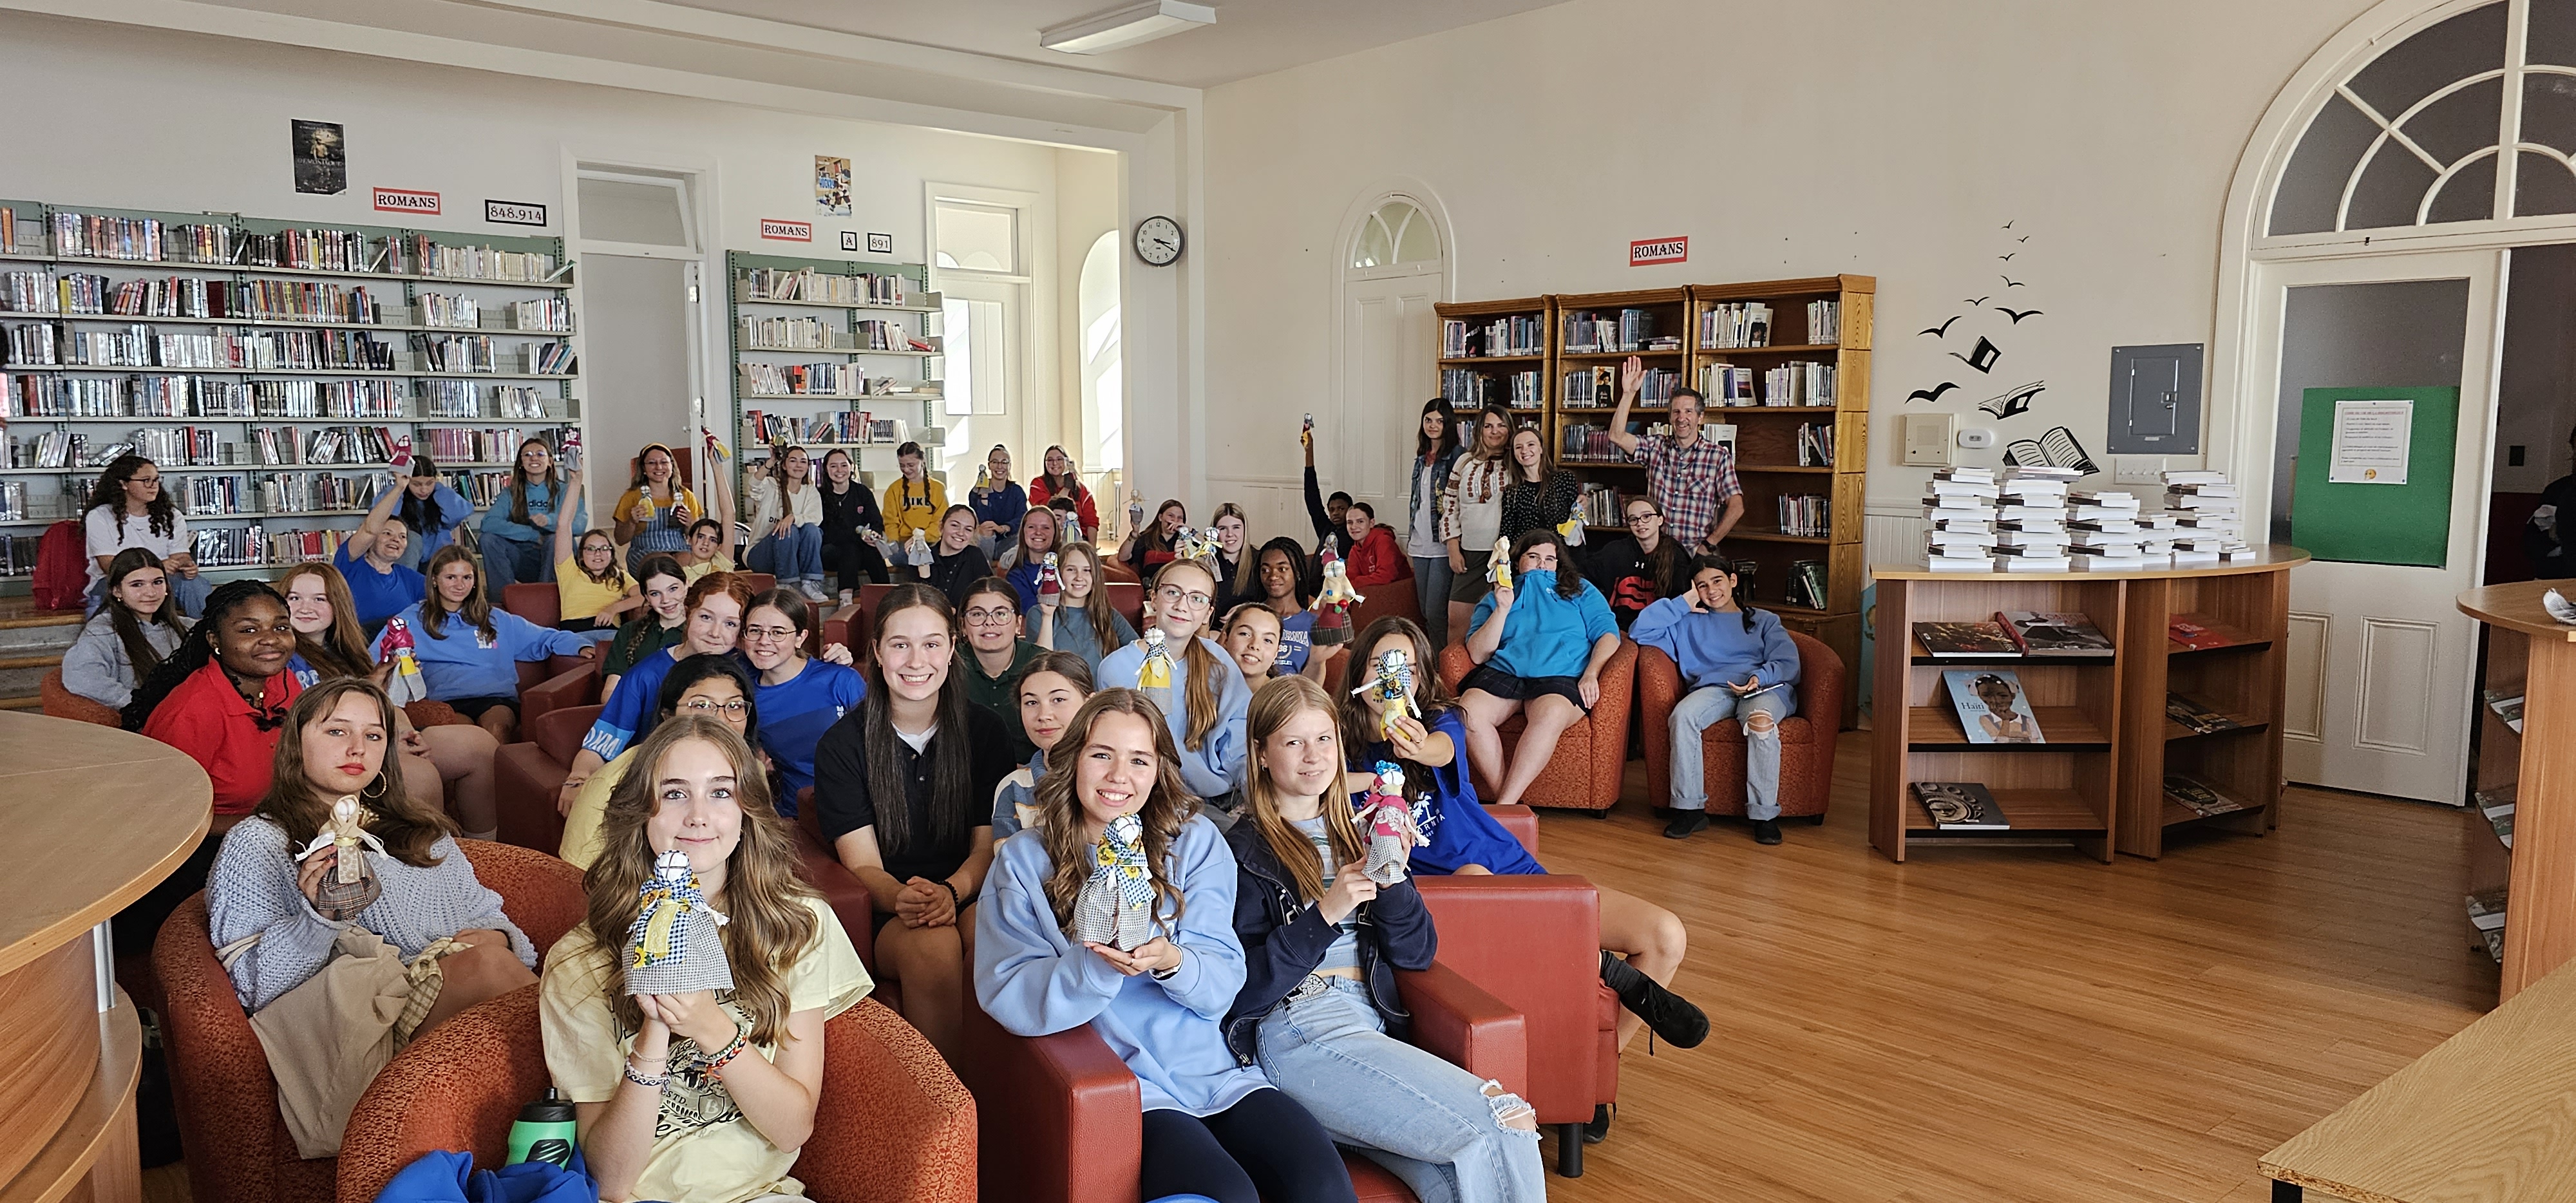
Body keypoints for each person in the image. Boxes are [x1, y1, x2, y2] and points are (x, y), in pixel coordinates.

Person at [976, 690, 1356, 1203]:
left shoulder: (1195, 843)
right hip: (1123, 1080)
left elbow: (1223, 981)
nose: (1119, 776)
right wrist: (1095, 965)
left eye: (1139, 760)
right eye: (1102, 754)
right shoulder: (1023, 860)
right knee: (1226, 1192)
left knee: (1322, 1184)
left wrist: (1171, 959)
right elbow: (1007, 992)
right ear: (1073, 760)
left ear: (1158, 771)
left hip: (1216, 1071)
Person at [1339, 614, 1707, 1112]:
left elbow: (1439, 751)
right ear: (1360, 674)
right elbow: (1314, 785)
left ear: (1421, 679)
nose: (1392, 679)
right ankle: (1597, 964)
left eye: (1404, 668)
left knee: (1665, 935)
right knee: (1474, 880)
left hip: (1510, 871)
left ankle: (1597, 1071)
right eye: (1381, 665)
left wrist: (1415, 743)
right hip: (1440, 901)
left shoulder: (1441, 721)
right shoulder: (1339, 748)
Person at [1227, 674, 1545, 1203]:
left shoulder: (1364, 830)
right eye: (1293, 742)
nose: (1313, 756)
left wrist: (1393, 880)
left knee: (1453, 1181)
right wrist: (1325, 914)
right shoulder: (1242, 852)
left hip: (1371, 1024)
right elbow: (1241, 989)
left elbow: (1417, 954)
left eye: (1323, 738)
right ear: (1262, 754)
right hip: (1300, 1028)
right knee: (1504, 1119)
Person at [540, 716, 869, 1203]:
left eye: (720, 792)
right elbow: (610, 1180)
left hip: (758, 1195)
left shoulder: (798, 925)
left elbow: (792, 1129)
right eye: (674, 794)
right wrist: (656, 1028)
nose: (698, 816)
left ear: (747, 812)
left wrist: (709, 1026)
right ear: (641, 812)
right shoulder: (577, 961)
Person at [204, 679, 537, 1154]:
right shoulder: (259, 842)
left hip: (467, 1002)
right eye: (337, 731)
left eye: (374, 735)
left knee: (508, 968)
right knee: (498, 977)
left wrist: (499, 938)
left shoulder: (420, 829)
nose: (358, 748)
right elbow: (251, 988)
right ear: (296, 742)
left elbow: (489, 912)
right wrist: (318, 920)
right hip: (363, 1031)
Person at [813, 585, 1007, 1059]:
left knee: (996, 935)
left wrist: (952, 893)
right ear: (877, 651)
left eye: (931, 644)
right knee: (934, 945)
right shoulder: (842, 745)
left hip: (971, 891)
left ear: (952, 648)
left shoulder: (985, 731)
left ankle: (1009, 1088)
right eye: (900, 644)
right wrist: (907, 898)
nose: (916, 661)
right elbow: (863, 866)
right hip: (889, 907)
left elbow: (987, 846)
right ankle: (945, 1097)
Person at [120, 580, 303, 954]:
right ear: (215, 641)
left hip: (277, 828)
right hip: (199, 852)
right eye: (249, 630)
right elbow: (166, 818)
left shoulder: (283, 682)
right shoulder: (193, 710)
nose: (270, 639)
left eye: (280, 626)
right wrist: (265, 826)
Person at [278, 561, 504, 840]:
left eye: (319, 599)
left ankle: (481, 850)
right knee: (420, 776)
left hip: (377, 738)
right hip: (334, 752)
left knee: (480, 745)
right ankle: (430, 859)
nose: (305, 607)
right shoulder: (279, 654)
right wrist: (386, 745)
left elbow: (383, 706)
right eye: (294, 598)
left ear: (338, 604)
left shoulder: (348, 651)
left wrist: (405, 732)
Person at [1634, 556, 1803, 844]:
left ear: (1733, 580)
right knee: (1682, 716)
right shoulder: (1687, 622)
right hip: (1714, 689)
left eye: (1717, 581)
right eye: (1702, 586)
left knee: (1760, 723)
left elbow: (1789, 663)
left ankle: (1764, 816)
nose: (1711, 591)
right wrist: (1683, 603)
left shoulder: (1764, 620)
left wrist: (1758, 678)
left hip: (1762, 688)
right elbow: (1641, 631)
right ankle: (1689, 810)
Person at [1457, 531, 1620, 809]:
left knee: (1551, 714)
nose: (1542, 564)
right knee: (1468, 712)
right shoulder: (1497, 595)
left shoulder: (1580, 589)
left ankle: (1503, 808)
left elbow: (1608, 634)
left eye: (1550, 559)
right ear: (1517, 562)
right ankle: (1511, 806)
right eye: (1533, 557)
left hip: (1562, 674)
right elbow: (1478, 653)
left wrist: (1591, 673)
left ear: (1559, 564)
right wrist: (1502, 609)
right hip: (1507, 672)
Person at [564, 572, 754, 809]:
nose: (715, 633)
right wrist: (578, 780)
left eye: (730, 624)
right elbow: (599, 747)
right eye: (706, 617)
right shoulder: (645, 676)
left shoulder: (748, 670)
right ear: (687, 612)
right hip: (661, 787)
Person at [558, 653, 764, 870]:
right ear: (668, 715)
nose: (721, 720)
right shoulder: (611, 785)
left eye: (734, 706)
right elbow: (578, 877)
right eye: (702, 705)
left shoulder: (753, 769)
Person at [373, 546, 597, 743]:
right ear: (434, 580)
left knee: (497, 728)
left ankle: (500, 778)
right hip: (446, 701)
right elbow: (374, 657)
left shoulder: (497, 619)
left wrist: (580, 645)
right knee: (468, 737)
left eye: (467, 577)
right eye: (451, 577)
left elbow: (546, 638)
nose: (460, 585)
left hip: (496, 699)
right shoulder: (412, 619)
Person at [1097, 558, 1253, 809]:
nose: (1182, 605)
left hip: (1222, 796)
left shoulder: (1218, 660)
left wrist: (1253, 795)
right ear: (1154, 599)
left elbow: (1239, 736)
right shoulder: (1116, 668)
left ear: (1208, 614)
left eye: (1197, 599)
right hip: (1151, 798)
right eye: (1172, 593)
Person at [1599, 358, 1743, 555]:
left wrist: (1710, 544)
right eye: (1676, 412)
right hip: (1656, 554)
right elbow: (1616, 436)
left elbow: (1736, 507)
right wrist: (1628, 393)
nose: (1681, 418)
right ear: (1670, 417)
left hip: (1695, 556)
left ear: (1700, 417)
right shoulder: (1656, 447)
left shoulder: (1717, 456)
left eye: (1688, 412)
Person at [739, 587, 867, 806]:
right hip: (795, 810)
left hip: (856, 803)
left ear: (800, 637)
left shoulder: (840, 679)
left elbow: (879, 744)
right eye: (755, 630)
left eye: (778, 632)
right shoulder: (744, 695)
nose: (764, 641)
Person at [64, 547, 189, 710]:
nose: (151, 593)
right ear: (117, 591)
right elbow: (83, 678)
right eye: (137, 585)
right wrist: (141, 704)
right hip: (145, 719)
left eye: (158, 582)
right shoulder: (102, 630)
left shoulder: (186, 627)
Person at [84, 454, 207, 618]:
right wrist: (156, 568)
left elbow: (180, 555)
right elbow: (109, 566)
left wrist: (187, 565)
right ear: (124, 484)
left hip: (162, 580)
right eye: (146, 480)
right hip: (116, 581)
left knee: (194, 583)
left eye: (156, 480)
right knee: (119, 590)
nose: (153, 486)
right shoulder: (100, 516)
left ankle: (206, 631)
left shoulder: (172, 515)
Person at [990, 650, 1092, 840]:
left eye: (1058, 700)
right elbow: (1008, 858)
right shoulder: (1015, 788)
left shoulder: (1114, 778)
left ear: (1090, 703)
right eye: (1031, 702)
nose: (1044, 715)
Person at [1441, 405, 1515, 644]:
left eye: (1501, 426)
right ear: (1479, 430)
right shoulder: (1464, 462)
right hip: (1469, 553)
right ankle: (1454, 665)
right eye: (1489, 426)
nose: (1495, 431)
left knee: (1500, 620)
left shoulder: (1516, 461)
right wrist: (1453, 546)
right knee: (1457, 620)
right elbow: (1449, 505)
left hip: (1505, 554)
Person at [477, 437, 582, 600]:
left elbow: (579, 525)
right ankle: (502, 601)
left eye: (540, 454)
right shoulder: (510, 493)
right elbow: (488, 524)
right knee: (488, 539)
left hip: (558, 559)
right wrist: (533, 535)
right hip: (525, 559)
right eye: (528, 455)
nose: (534, 458)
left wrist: (549, 521)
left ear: (550, 462)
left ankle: (546, 599)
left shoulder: (565, 490)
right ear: (521, 463)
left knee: (554, 540)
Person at [957, 576, 1044, 762]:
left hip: (1031, 772)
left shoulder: (1043, 666)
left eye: (1001, 614)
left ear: (1018, 624)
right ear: (963, 625)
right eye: (977, 614)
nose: (989, 622)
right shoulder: (946, 665)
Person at [551, 472, 643, 640]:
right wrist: (576, 481)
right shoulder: (569, 571)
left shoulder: (620, 575)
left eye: (604, 548)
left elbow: (645, 596)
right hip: (573, 635)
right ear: (582, 554)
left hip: (609, 634)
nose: (598, 554)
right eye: (591, 549)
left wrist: (614, 609)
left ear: (611, 553)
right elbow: (563, 525)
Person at [1028, 540, 1137, 676]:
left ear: (1095, 576)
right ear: (1058, 573)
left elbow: (1139, 652)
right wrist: (1048, 616)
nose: (1079, 577)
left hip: (1100, 689)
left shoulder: (1109, 615)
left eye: (1087, 570)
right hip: (1057, 687)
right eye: (1071, 570)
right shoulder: (1038, 614)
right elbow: (1040, 668)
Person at [1404, 399, 1463, 646]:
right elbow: (1418, 502)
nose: (1433, 425)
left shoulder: (1457, 456)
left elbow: (1457, 503)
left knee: (1436, 613)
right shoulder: (1421, 458)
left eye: (1439, 421)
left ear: (1448, 424)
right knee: (1425, 613)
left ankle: (1441, 664)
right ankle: (1431, 660)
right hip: (1420, 543)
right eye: (1428, 420)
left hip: (1443, 545)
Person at [1583, 498, 1692, 630]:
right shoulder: (1614, 551)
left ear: (1660, 520)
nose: (1640, 523)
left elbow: (1681, 601)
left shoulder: (1676, 555)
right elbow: (1582, 577)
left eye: (1646, 517)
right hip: (1617, 628)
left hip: (1660, 628)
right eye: (1633, 519)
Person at [335, 483, 427, 633]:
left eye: (402, 537)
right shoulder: (351, 564)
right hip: (357, 642)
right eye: (387, 533)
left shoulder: (409, 578)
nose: (396, 540)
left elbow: (444, 592)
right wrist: (399, 487)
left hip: (399, 644)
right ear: (372, 540)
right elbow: (369, 529)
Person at [746, 444, 831, 602]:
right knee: (787, 530)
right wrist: (772, 460)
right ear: (784, 465)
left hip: (794, 560)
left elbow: (816, 518)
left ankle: (810, 583)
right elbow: (754, 485)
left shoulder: (810, 491)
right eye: (793, 461)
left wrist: (793, 518)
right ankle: (787, 584)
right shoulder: (772, 485)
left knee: (812, 530)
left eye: (803, 462)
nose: (798, 465)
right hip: (761, 556)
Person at [600, 556, 690, 703]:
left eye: (673, 589)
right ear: (647, 597)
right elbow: (610, 691)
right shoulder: (629, 631)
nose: (666, 600)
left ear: (686, 586)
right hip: (633, 710)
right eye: (655, 594)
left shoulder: (700, 633)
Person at [1246, 537, 1332, 679]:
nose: (1273, 576)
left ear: (1297, 572)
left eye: (1282, 569)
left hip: (1295, 692)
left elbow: (1313, 684)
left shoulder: (1314, 624)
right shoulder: (1249, 615)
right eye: (1265, 570)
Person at [612, 442, 705, 574]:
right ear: (643, 469)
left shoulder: (686, 495)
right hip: (644, 553)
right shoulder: (632, 497)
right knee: (664, 566)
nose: (659, 467)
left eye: (664, 462)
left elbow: (697, 538)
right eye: (652, 463)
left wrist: (690, 525)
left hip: (680, 550)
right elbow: (620, 540)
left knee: (692, 564)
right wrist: (632, 522)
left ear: (672, 466)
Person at [375, 453, 471, 570]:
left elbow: (458, 515)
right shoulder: (395, 493)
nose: (424, 490)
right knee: (412, 539)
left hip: (435, 559)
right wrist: (399, 488)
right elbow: (385, 520)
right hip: (403, 559)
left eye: (430, 483)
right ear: (406, 480)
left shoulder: (440, 494)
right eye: (416, 484)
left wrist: (439, 489)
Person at [816, 448, 890, 591]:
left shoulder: (862, 492)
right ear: (826, 469)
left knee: (873, 550)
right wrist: (859, 536)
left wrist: (873, 534)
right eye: (833, 466)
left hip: (860, 550)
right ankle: (846, 597)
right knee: (850, 549)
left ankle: (886, 593)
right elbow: (827, 533)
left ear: (851, 467)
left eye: (844, 465)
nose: (839, 470)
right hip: (831, 552)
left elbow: (876, 521)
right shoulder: (819, 495)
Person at [1499, 424, 1582, 549]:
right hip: (1526, 554)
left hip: (1560, 553)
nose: (1524, 451)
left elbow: (1576, 523)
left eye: (1531, 445)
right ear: (1514, 454)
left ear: (1541, 449)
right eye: (1518, 447)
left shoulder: (1564, 479)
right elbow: (1506, 533)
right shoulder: (1511, 492)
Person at [880, 440, 947, 571]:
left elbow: (940, 521)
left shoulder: (938, 488)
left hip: (931, 542)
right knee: (910, 556)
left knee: (925, 557)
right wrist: (894, 543)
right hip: (904, 544)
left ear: (923, 461)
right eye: (902, 465)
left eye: (911, 465)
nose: (906, 469)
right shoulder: (894, 489)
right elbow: (890, 522)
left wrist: (922, 538)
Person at [913, 504, 993, 607]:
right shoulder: (923, 555)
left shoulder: (975, 556)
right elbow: (916, 600)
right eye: (955, 525)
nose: (961, 533)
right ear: (941, 527)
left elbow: (987, 596)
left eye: (968, 530)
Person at [1300, 422, 1354, 554]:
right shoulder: (1326, 529)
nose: (1336, 513)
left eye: (1341, 509)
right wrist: (1309, 452)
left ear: (1351, 510)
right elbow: (1312, 500)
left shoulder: (1356, 532)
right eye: (1332, 510)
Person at [996, 505, 1063, 610]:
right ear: (1023, 532)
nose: (1038, 532)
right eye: (1032, 527)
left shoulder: (1067, 567)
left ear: (1055, 533)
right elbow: (1033, 613)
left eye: (1046, 528)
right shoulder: (1015, 575)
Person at [969, 443, 1028, 559]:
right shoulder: (976, 492)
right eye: (995, 462)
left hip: (1009, 539)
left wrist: (1004, 528)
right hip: (984, 541)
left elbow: (1022, 517)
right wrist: (984, 497)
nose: (999, 466)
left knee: (1023, 538)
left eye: (1004, 462)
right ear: (989, 465)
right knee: (986, 530)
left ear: (1009, 465)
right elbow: (981, 521)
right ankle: (986, 567)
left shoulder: (1017, 491)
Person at [1028, 445, 1098, 542]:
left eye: (1059, 459)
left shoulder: (1081, 489)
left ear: (1067, 462)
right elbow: (1050, 509)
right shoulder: (1037, 484)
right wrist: (1067, 488)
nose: (1055, 463)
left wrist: (1091, 549)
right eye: (1050, 460)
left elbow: (1091, 521)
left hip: (1077, 538)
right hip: (1048, 538)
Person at [1338, 502, 1404, 589]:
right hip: (1372, 593)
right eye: (1350, 522)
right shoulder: (1355, 550)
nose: (1353, 527)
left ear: (1372, 523)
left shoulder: (1383, 541)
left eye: (1360, 521)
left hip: (1397, 591)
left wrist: (1356, 582)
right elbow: (1350, 580)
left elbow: (1386, 576)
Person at [1219, 603, 1284, 690]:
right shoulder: (1204, 684)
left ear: (1276, 653)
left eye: (1267, 640)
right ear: (1225, 640)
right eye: (1245, 634)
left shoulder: (1285, 697)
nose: (1255, 645)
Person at [1121, 498, 1188, 576]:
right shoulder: (1147, 538)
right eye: (1170, 515)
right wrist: (1134, 534)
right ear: (1160, 517)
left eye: (1180, 518)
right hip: (1151, 582)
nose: (1175, 520)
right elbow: (1123, 557)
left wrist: (1190, 531)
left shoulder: (1186, 540)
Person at [1211, 504, 1253, 612]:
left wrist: (1245, 610)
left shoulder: (1259, 560)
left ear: (1245, 530)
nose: (1230, 534)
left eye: (1236, 527)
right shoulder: (1207, 561)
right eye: (1223, 529)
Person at [675, 517, 737, 582]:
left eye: (713, 540)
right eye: (701, 537)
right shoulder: (681, 575)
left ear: (718, 546)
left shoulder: (722, 561)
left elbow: (728, 517)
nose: (706, 543)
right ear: (689, 540)